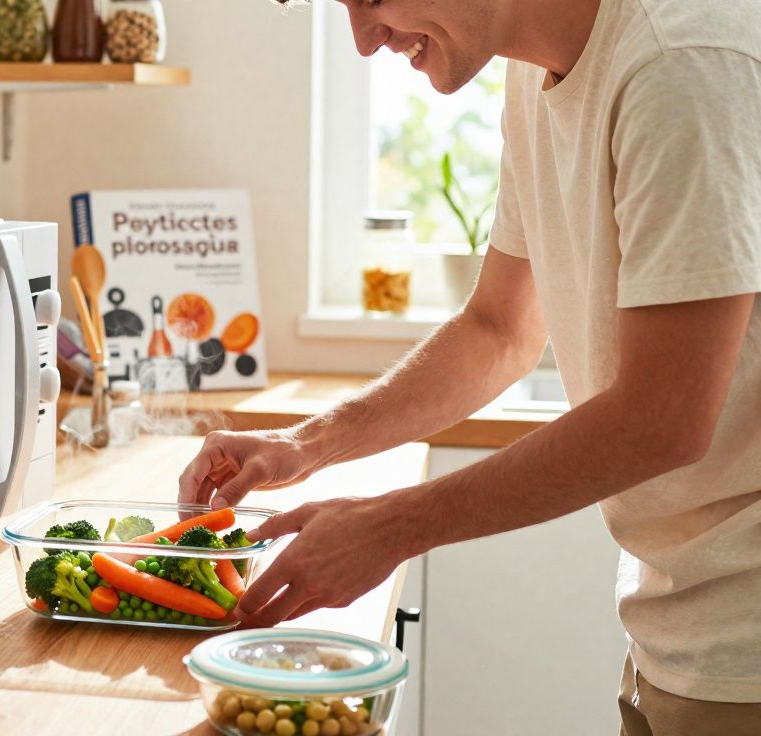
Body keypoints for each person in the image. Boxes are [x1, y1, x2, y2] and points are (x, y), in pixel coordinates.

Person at [178, 0, 761, 731]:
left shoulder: (680, 62)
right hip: (672, 630)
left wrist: (387, 528)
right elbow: (500, 328)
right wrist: (304, 445)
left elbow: (665, 417)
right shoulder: (532, 75)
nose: (363, 40)